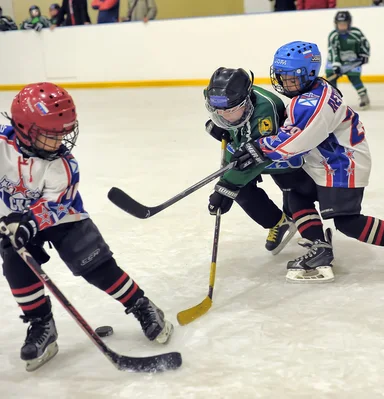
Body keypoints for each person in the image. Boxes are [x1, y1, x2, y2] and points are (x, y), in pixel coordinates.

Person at [229, 41, 384, 283]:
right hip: (323, 160)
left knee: (347, 221)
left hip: (342, 163)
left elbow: (296, 140)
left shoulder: (311, 102)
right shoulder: (309, 91)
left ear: (309, 74)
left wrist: (260, 148)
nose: (284, 82)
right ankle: (319, 246)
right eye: (281, 76)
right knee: (296, 193)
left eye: (291, 78)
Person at [0, 83, 173, 372]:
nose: (59, 143)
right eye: (49, 135)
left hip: (62, 217)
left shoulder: (63, 165)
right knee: (15, 263)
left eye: (62, 134)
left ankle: (142, 305)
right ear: (23, 128)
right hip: (11, 222)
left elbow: (53, 206)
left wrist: (29, 222)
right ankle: (42, 324)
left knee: (95, 264)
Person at [204, 68, 299, 255]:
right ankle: (278, 223)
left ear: (246, 101)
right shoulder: (224, 98)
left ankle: (302, 221)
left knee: (293, 193)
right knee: (240, 190)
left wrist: (226, 186)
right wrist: (216, 125)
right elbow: (224, 113)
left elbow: (258, 156)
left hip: (280, 157)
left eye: (229, 111)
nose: (223, 116)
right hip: (248, 148)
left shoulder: (265, 111)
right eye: (217, 111)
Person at [326, 10, 371, 109]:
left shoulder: (356, 33)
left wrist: (364, 55)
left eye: (344, 24)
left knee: (354, 78)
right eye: (340, 24)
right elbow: (333, 52)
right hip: (335, 60)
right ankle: (334, 100)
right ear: (336, 24)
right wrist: (336, 66)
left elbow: (365, 44)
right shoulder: (333, 36)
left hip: (353, 61)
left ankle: (364, 97)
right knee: (330, 76)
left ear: (349, 24)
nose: (342, 26)